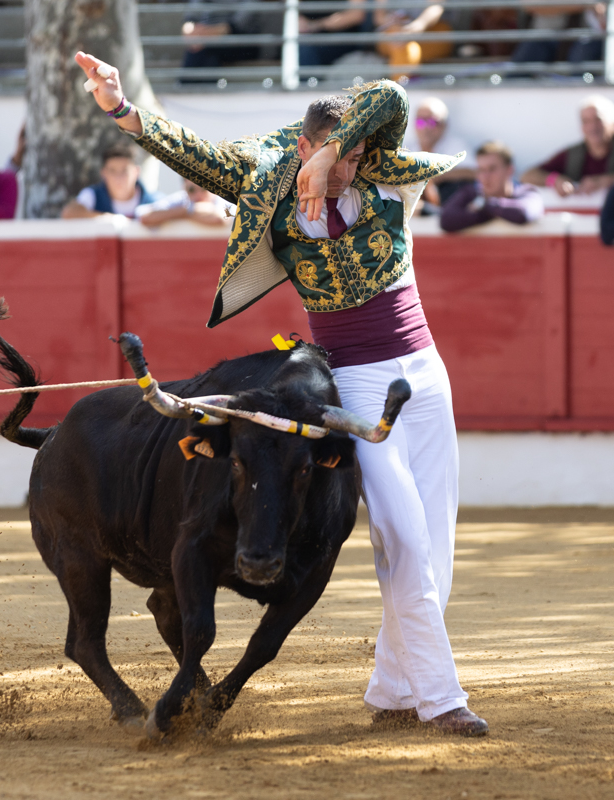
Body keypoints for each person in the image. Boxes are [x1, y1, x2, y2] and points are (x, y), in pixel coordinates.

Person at [75, 51, 488, 737]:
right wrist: (123, 109)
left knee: (435, 541)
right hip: (354, 384)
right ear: (301, 147)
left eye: (354, 158)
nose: (349, 170)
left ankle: (392, 688)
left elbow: (388, 93)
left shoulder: (379, 166)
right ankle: (442, 698)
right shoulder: (268, 180)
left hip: (425, 369)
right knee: (403, 539)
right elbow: (195, 154)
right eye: (335, 158)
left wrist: (333, 162)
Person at [521, 95, 614, 197]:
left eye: (598, 120)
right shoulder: (573, 154)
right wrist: (554, 180)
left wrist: (609, 180)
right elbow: (527, 176)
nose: (592, 127)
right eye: (586, 121)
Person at [440, 141, 543, 232]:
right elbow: (446, 220)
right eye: (481, 170)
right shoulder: (470, 193)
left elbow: (523, 213)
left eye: (492, 169)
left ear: (509, 170)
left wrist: (483, 206)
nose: (485, 177)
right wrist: (496, 212)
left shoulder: (527, 192)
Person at [179, 0, 282, 75]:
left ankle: (188, 90)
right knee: (201, 51)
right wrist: (191, 32)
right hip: (204, 40)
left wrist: (205, 35)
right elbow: (190, 20)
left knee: (206, 49)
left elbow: (235, 26)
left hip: (242, 42)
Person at [61, 142, 156, 220]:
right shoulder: (93, 195)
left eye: (124, 171)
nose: (118, 177)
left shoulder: (153, 201)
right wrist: (107, 219)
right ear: (103, 173)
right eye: (112, 171)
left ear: (136, 172)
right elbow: (69, 213)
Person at [413, 97, 473, 211]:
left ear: (444, 125)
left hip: (449, 206)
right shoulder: (405, 148)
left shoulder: (455, 146)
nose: (426, 127)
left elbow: (473, 172)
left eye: (432, 122)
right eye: (420, 122)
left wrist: (436, 175)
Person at [373, 0, 452, 81]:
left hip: (428, 33)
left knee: (408, 45)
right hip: (394, 32)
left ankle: (405, 81)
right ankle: (402, 83)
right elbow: (379, 17)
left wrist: (419, 24)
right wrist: (392, 21)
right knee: (403, 43)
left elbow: (436, 7)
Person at [298, 0, 371, 67]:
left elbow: (357, 14)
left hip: (343, 39)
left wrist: (314, 25)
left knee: (305, 51)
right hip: (310, 38)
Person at [136, 179, 233, 228]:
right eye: (191, 189)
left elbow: (222, 218)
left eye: (204, 188)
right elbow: (144, 215)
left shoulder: (225, 199)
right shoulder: (182, 199)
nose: (198, 194)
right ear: (184, 188)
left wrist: (185, 212)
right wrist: (187, 212)